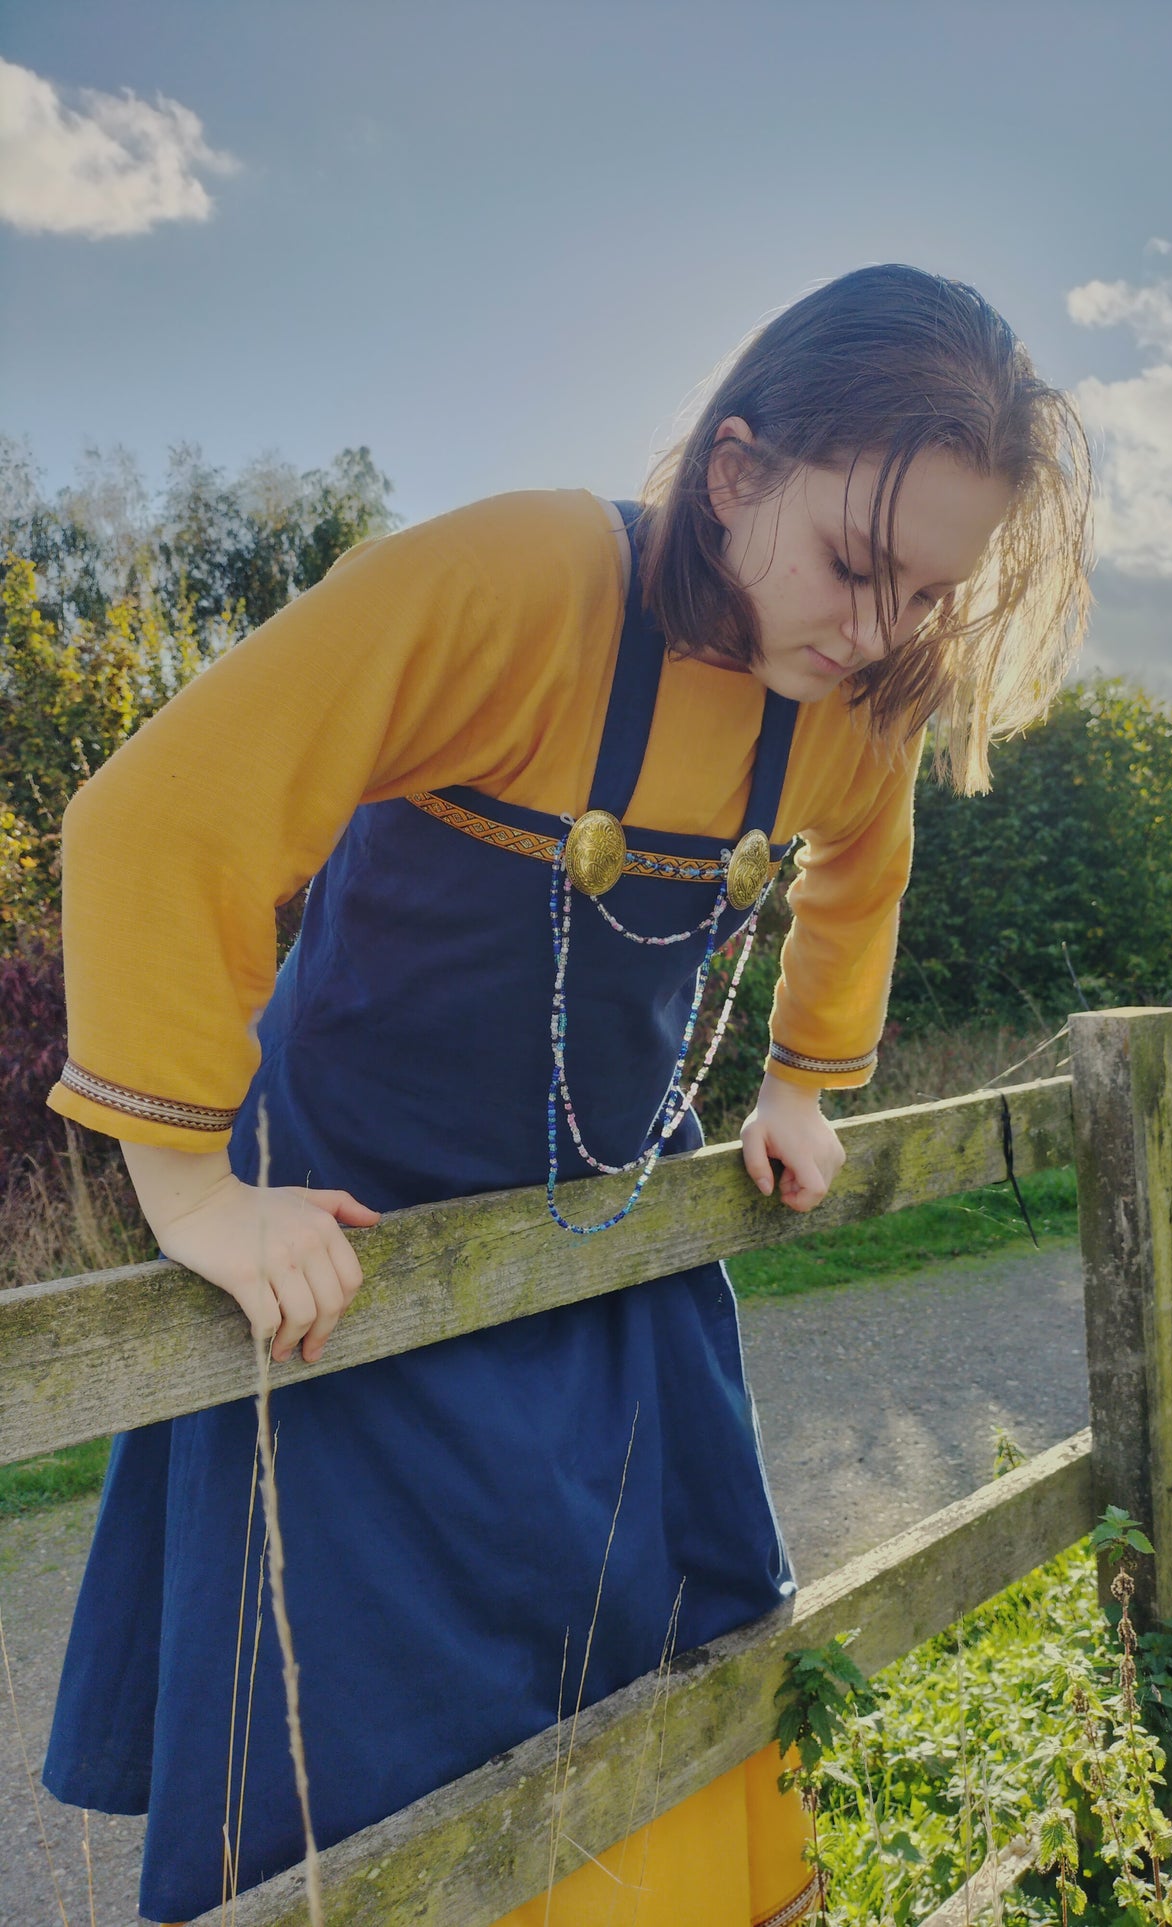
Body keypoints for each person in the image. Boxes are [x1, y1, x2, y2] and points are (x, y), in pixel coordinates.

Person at [42, 264, 1091, 1926]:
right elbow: (158, 819)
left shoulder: (846, 703)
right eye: (853, 565)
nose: (880, 630)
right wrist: (187, 1191)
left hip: (607, 1214)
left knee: (670, 1615)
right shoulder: (518, 579)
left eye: (926, 596)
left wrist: (807, 1086)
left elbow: (859, 878)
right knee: (374, 1684)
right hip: (341, 1230)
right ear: (734, 470)